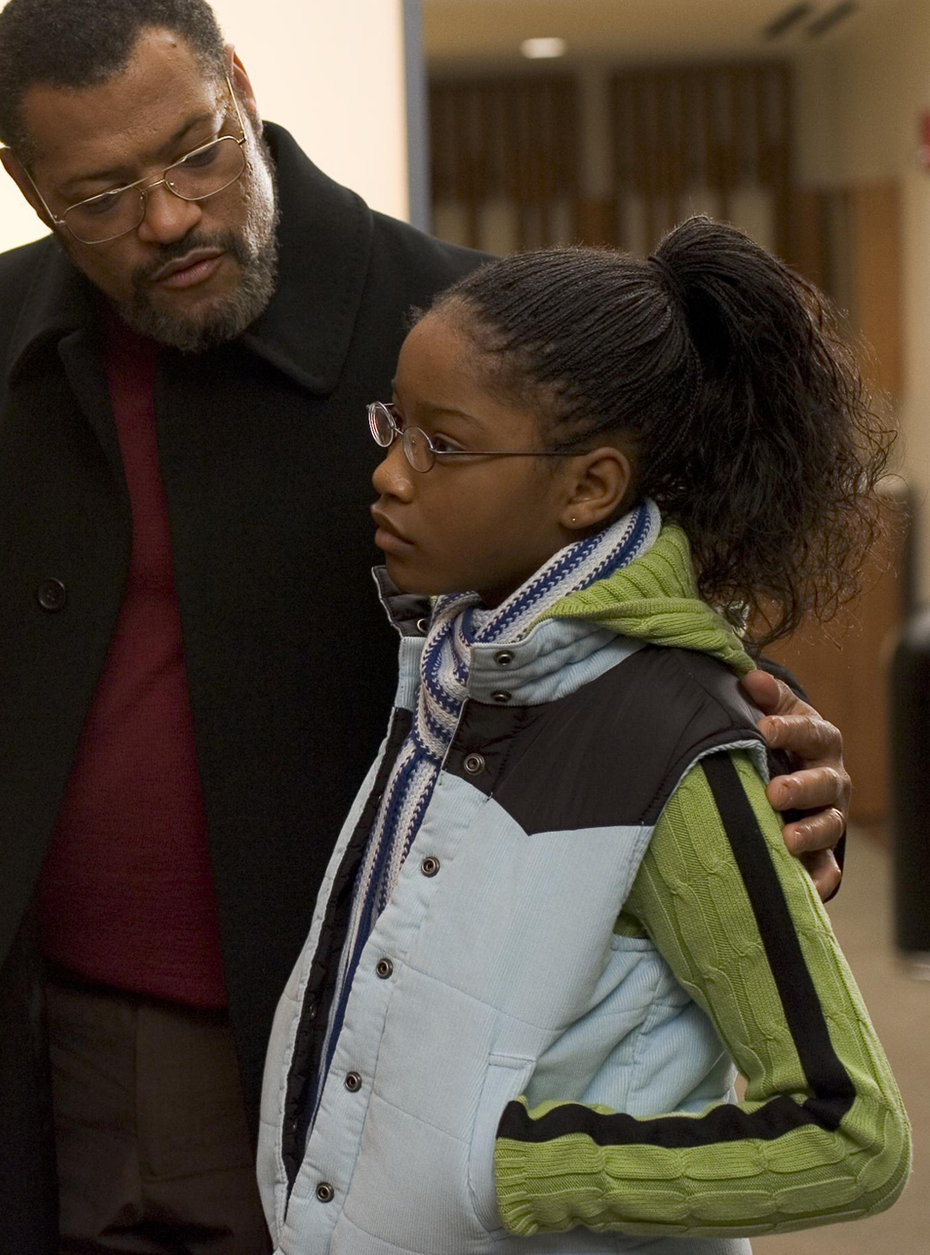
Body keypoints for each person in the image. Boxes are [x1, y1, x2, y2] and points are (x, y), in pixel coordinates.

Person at [0, 0, 856, 1255]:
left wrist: (767, 744)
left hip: (352, 1041)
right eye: (102, 194)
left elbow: (640, 601)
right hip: (54, 1040)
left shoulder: (458, 333)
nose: (171, 215)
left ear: (240, 87)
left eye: (195, 153)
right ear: (27, 185)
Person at [258, 217, 909, 1254]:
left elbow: (850, 1132)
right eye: (396, 429)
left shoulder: (670, 739)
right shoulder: (457, 667)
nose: (388, 475)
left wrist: (516, 1173)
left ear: (588, 488)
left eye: (443, 445)